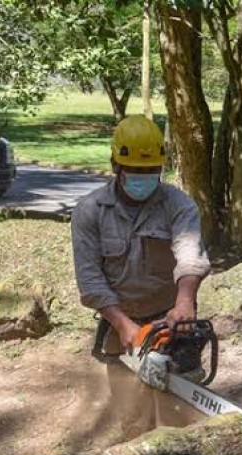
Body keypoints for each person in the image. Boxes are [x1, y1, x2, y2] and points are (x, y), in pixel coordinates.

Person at [71, 115, 211, 363]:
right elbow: (90, 280)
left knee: (181, 384)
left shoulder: (178, 205)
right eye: (136, 170)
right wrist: (121, 323)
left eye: (151, 170)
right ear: (116, 165)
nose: (144, 176)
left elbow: (190, 255)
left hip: (171, 315)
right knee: (124, 394)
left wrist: (185, 302)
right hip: (118, 315)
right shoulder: (91, 210)